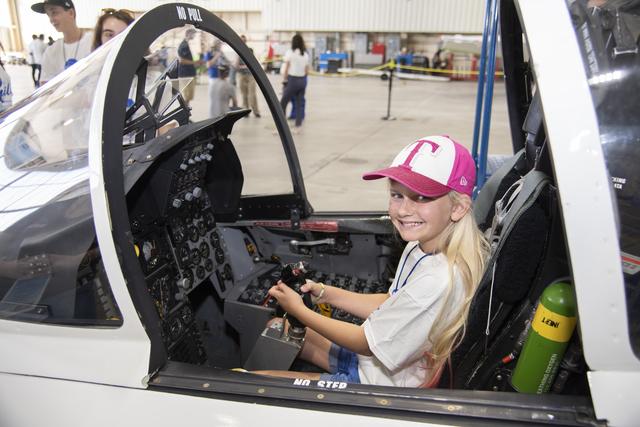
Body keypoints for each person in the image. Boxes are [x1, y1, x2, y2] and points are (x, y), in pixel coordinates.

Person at [256, 136, 489, 388]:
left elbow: (365, 343)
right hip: (371, 362)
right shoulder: (420, 243)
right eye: (397, 195)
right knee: (277, 327)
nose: (403, 210)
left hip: (379, 384)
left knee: (250, 383)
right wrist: (324, 293)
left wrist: (299, 310)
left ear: (458, 208)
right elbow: (390, 302)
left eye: (421, 198)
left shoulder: (440, 279)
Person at [31, 0, 93, 85]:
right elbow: (46, 88)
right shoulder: (51, 52)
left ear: (71, 13)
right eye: (48, 15)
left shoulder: (94, 41)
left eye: (54, 13)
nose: (51, 19)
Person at [280, 34, 309, 133]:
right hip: (302, 81)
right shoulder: (305, 54)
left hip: (293, 80)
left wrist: (284, 80)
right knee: (299, 104)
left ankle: (282, 126)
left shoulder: (290, 53)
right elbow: (306, 71)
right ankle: (298, 127)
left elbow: (287, 67)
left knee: (282, 103)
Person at [236, 35, 261, 117]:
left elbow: (252, 63)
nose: (243, 42)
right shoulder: (237, 50)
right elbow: (236, 65)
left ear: (246, 41)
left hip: (250, 75)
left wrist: (244, 66)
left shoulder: (250, 50)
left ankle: (256, 111)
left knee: (252, 94)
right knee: (244, 94)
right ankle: (246, 111)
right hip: (241, 75)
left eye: (244, 40)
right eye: (241, 40)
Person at [177, 28, 202, 106]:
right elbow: (182, 60)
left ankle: (186, 111)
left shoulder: (187, 44)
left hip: (189, 73)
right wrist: (194, 62)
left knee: (189, 96)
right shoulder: (184, 45)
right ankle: (184, 114)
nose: (194, 35)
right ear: (188, 34)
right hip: (186, 74)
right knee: (186, 96)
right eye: (193, 34)